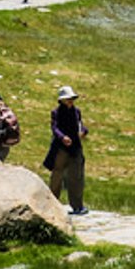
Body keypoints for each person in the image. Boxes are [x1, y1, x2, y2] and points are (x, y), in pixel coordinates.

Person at [45, 85, 90, 216]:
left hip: (75, 149)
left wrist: (84, 131)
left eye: (72, 98)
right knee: (57, 177)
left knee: (76, 178)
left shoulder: (77, 111)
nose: (70, 101)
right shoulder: (56, 113)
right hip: (61, 149)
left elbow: (81, 125)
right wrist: (62, 137)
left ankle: (77, 206)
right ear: (62, 100)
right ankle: (52, 204)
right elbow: (55, 128)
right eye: (68, 99)